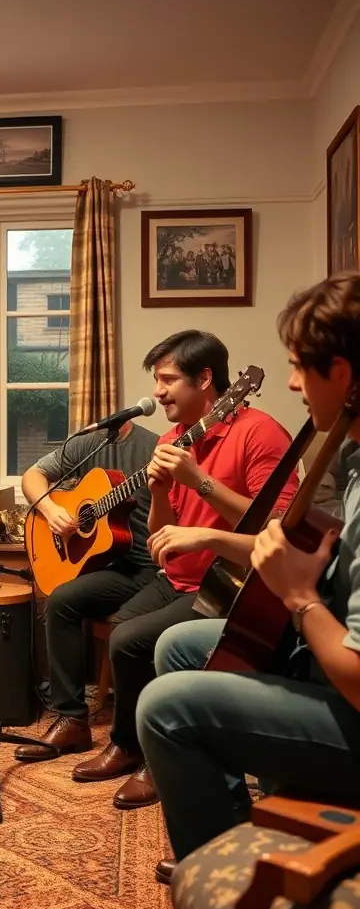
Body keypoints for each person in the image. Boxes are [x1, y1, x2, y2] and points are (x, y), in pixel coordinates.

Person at [123, 271, 360, 909]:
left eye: (295, 367)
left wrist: (299, 598)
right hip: (322, 653)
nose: (291, 384)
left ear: (341, 372)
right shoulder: (346, 455)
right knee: (181, 646)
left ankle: (214, 908)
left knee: (167, 706)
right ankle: (222, 839)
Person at [71, 330, 299, 810]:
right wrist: (158, 490)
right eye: (156, 380)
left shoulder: (260, 432)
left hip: (234, 586)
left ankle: (158, 757)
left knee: (135, 640)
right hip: (182, 578)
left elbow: (279, 529)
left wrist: (199, 481)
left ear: (207, 380)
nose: (157, 392)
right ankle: (128, 744)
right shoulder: (175, 439)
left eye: (168, 379)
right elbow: (162, 534)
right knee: (120, 631)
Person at [14, 420, 158, 765]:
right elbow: (31, 477)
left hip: (147, 566)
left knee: (126, 627)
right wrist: (51, 510)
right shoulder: (88, 444)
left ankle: (129, 740)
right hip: (108, 565)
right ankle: (72, 720)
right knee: (61, 600)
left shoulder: (156, 447)